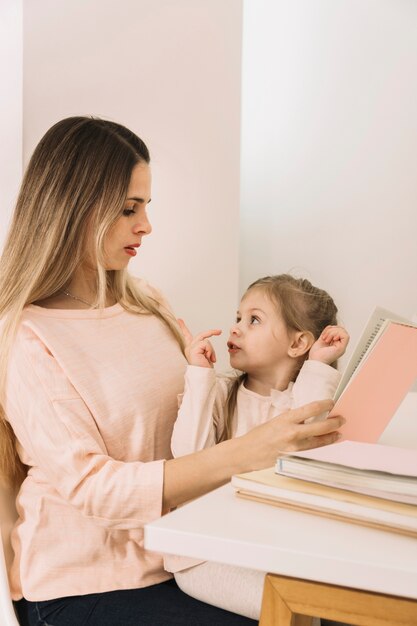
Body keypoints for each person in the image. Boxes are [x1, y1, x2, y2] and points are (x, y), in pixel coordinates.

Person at [0, 116, 345, 626]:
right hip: (87, 586)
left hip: (187, 556)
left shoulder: (146, 302)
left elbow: (201, 421)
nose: (145, 226)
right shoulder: (25, 336)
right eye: (127, 209)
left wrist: (303, 378)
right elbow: (92, 489)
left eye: (146, 206)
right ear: (72, 210)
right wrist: (247, 452)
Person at [169, 274, 349, 620]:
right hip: (207, 556)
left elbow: (305, 436)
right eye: (238, 317)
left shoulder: (305, 396)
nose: (235, 328)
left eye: (253, 320)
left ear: (298, 344)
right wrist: (199, 375)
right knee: (305, 606)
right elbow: (188, 455)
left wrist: (317, 365)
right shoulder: (220, 394)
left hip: (275, 550)